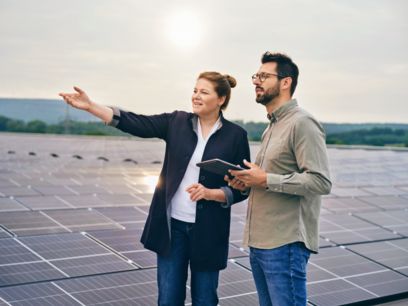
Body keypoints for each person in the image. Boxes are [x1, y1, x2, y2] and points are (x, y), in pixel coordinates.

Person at [59, 71, 250, 306]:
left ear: (220, 99)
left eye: (204, 92)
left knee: (205, 299)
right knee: (168, 299)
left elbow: (243, 187)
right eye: (195, 90)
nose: (196, 96)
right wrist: (91, 107)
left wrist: (213, 194)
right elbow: (136, 122)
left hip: (209, 233)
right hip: (173, 230)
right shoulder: (177, 122)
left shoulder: (235, 136)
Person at [227, 52, 332, 306]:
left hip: (285, 245)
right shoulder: (271, 127)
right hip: (260, 243)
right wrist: (248, 182)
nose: (256, 81)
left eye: (264, 76)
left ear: (286, 82)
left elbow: (320, 182)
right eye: (256, 76)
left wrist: (264, 179)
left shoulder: (302, 123)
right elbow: (269, 178)